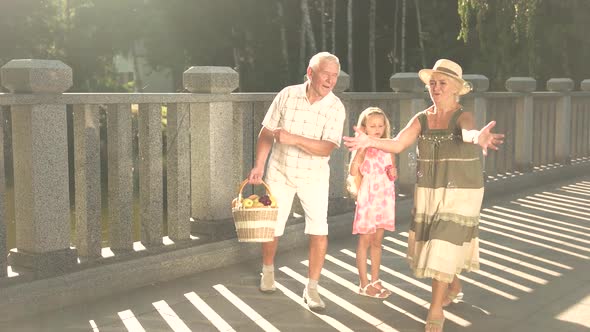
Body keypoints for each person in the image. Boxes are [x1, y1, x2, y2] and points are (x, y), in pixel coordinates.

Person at [343, 59, 504, 332]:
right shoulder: (420, 119)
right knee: (435, 242)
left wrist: (479, 138)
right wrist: (370, 141)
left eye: (442, 83)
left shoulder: (463, 115)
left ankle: (436, 307)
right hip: (430, 189)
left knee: (442, 242)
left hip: (461, 190)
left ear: (455, 89)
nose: (436, 88)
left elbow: (468, 133)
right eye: (433, 83)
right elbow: (397, 143)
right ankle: (453, 284)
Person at [248, 52, 346, 311]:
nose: (331, 80)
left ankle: (312, 287)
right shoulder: (287, 94)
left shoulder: (336, 107)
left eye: (335, 75)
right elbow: (267, 132)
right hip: (279, 171)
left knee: (319, 231)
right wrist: (259, 164)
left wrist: (295, 139)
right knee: (272, 228)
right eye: (326, 73)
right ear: (310, 72)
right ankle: (267, 271)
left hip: (314, 177)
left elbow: (327, 148)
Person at [347, 107, 397, 299]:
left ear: (385, 126)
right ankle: (363, 283)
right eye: (372, 126)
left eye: (380, 125)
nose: (377, 129)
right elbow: (353, 172)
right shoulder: (363, 148)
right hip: (369, 199)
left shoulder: (389, 146)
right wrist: (361, 152)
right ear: (364, 129)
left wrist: (393, 173)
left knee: (377, 242)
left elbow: (392, 173)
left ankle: (375, 279)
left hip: (384, 199)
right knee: (365, 241)